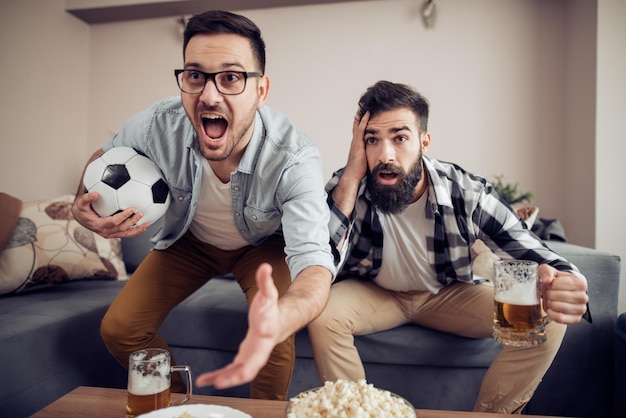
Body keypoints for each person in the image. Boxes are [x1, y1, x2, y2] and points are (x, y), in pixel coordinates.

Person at [71, 10, 335, 400]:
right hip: (190, 242)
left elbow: (313, 262)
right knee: (119, 327)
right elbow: (104, 156)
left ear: (261, 91)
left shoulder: (294, 159)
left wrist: (286, 314)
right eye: (195, 76)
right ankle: (177, 403)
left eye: (231, 77)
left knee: (274, 339)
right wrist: (84, 205)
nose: (209, 95)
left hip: (263, 248)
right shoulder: (158, 124)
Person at [307, 80, 590, 413]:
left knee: (548, 317)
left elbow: (532, 250)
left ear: (424, 142)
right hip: (377, 294)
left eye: (400, 138)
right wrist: (352, 178)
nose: (385, 155)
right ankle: (355, 412)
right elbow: (316, 260)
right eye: (372, 140)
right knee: (322, 312)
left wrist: (568, 279)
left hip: (446, 294)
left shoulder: (465, 193)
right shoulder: (348, 186)